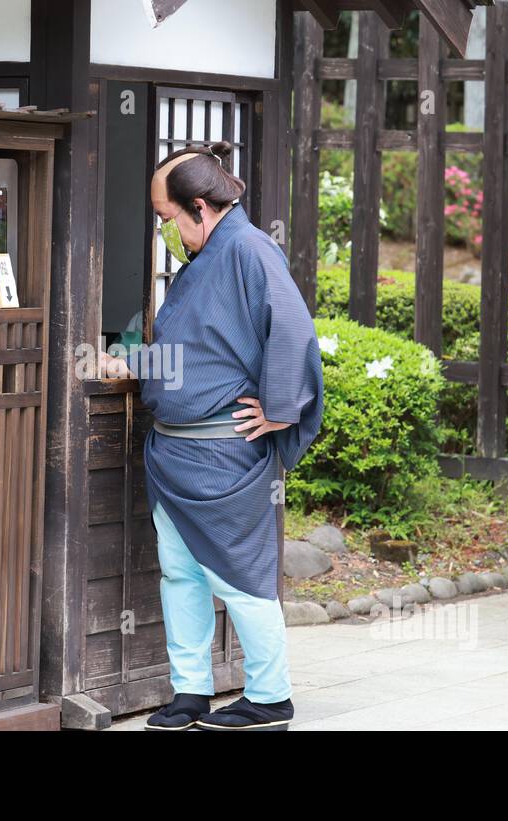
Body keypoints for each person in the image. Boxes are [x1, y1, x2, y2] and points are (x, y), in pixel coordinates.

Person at [99, 141, 324, 730]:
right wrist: (136, 364)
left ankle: (271, 695)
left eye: (166, 218)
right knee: (180, 573)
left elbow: (295, 331)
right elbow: (201, 354)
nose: (164, 230)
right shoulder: (205, 260)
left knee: (241, 577)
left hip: (224, 452)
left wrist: (283, 409)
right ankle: (190, 691)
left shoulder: (250, 248)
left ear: (198, 206)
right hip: (173, 447)